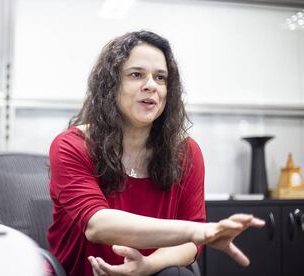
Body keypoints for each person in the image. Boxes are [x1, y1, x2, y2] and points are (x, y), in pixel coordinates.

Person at [47, 30, 265, 276]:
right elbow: (97, 225)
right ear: (111, 84)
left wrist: (148, 265)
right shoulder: (72, 145)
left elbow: (191, 244)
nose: (151, 85)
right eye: (136, 75)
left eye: (160, 78)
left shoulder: (186, 152)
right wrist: (196, 232)